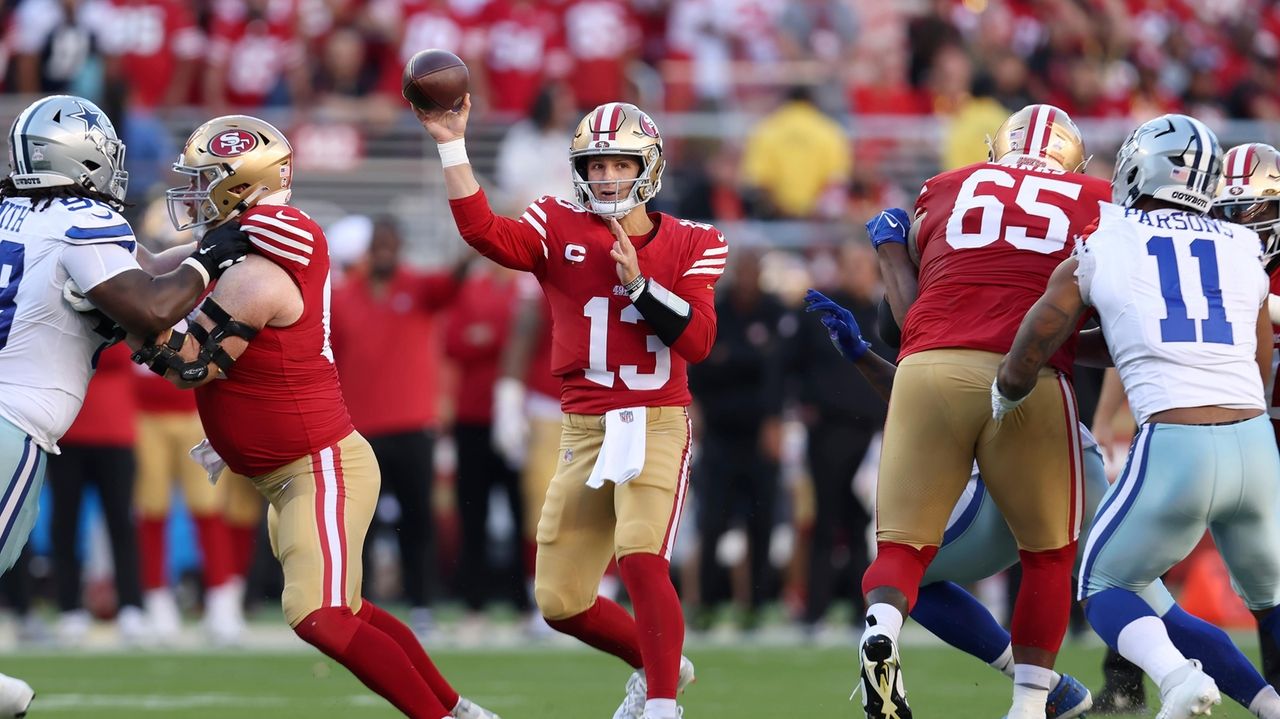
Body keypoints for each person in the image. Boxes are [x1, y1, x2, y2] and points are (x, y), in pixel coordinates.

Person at [131, 113, 498, 719]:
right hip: (290, 471)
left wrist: (127, 324)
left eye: (204, 182)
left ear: (241, 187)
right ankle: (459, 711)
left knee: (321, 617)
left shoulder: (259, 270)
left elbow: (188, 366)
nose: (192, 196)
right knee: (348, 611)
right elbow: (148, 269)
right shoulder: (241, 248)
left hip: (318, 467)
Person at [810, 289, 1280, 719]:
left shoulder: (957, 312)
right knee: (1148, 604)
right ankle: (1262, 703)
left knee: (906, 576)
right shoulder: (1000, 289)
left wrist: (865, 345)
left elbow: (938, 402)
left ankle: (1042, 694)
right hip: (1071, 454)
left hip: (1026, 468)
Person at [419, 97, 725, 719]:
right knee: (559, 600)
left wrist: (641, 286)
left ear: (650, 166)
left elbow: (696, 341)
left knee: (641, 554)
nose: (608, 176)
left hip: (654, 418)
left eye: (620, 163)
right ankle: (655, 661)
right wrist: (453, 145)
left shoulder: (695, 241)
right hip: (582, 427)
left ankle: (663, 704)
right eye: (596, 164)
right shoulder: (555, 223)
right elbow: (484, 232)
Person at [996, 114, 1280, 718]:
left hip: (1177, 441)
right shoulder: (1241, 245)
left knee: (1102, 585)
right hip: (1255, 444)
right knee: (1272, 601)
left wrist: (1007, 392)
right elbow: (1258, 366)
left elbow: (1040, 335)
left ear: (1136, 166)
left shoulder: (1110, 237)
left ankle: (1177, 679)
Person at [0, 94, 252, 718]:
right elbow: (151, 306)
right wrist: (213, 256)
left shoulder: (18, 214)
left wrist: (211, 250)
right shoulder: (81, 219)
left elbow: (139, 272)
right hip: (12, 420)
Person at [860, 103, 1108, 719]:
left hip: (927, 366)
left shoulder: (946, 187)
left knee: (902, 548)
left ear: (998, 147)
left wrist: (891, 251)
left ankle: (882, 628)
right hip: (1026, 375)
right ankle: (1030, 705)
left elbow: (905, 319)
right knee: (1047, 555)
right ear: (1074, 159)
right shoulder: (1097, 199)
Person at [330, 217, 460, 639]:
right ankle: (358, 606)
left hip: (413, 426)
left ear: (399, 246)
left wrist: (478, 234)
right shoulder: (344, 296)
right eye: (378, 244)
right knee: (360, 524)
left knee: (418, 520)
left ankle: (422, 605)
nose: (384, 250)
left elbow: (456, 278)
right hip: (360, 430)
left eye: (390, 243)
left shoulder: (418, 288)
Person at [687, 249, 786, 632]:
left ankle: (755, 605)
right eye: (741, 271)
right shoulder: (717, 309)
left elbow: (778, 372)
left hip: (760, 433)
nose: (747, 278)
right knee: (711, 521)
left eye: (752, 270)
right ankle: (706, 603)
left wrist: (775, 420)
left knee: (760, 521)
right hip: (719, 434)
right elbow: (701, 364)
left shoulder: (775, 312)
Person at [1214, 142, 1280, 690]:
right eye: (1228, 212)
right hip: (1246, 442)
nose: (1240, 224)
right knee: (1265, 587)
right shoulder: (1210, 267)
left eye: (1253, 211)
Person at [48, 344, 147, 647]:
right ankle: (69, 608)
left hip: (114, 431)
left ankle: (131, 606)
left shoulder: (121, 304)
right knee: (65, 523)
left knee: (121, 522)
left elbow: (118, 354)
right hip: (67, 429)